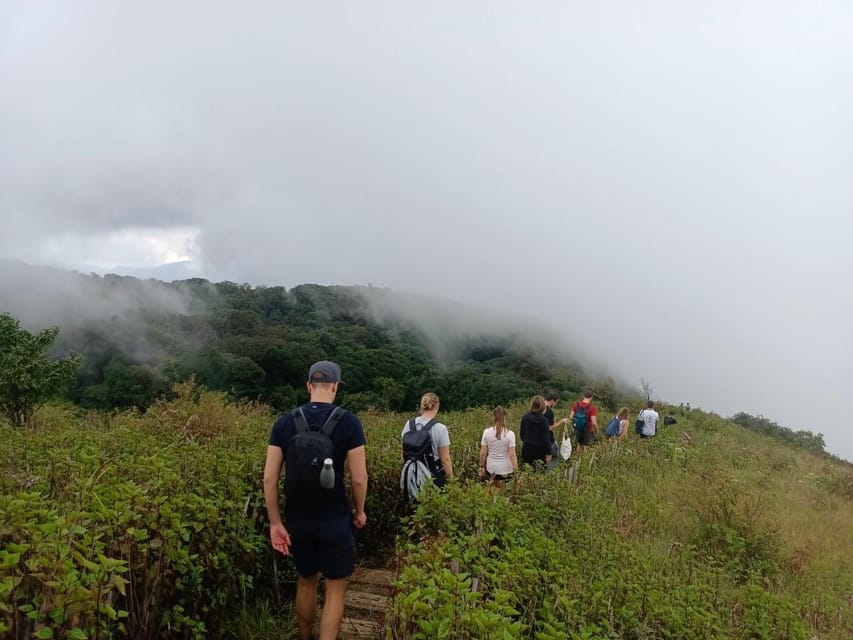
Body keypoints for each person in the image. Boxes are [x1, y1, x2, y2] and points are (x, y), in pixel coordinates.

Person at [263, 361, 368, 640]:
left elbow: (269, 479)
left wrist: (276, 523)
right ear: (335, 386)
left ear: (309, 385)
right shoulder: (349, 422)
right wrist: (360, 512)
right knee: (335, 587)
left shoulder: (285, 422)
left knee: (306, 582)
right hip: (334, 521)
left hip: (298, 521)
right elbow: (359, 479)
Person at [400, 392, 453, 497]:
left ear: (422, 406)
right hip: (434, 476)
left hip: (412, 475)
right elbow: (445, 460)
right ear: (437, 406)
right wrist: (452, 481)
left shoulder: (409, 424)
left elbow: (403, 455)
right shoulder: (441, 428)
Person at [479, 406, 518, 486]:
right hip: (507, 469)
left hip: (492, 469)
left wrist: (481, 466)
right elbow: (512, 455)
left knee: (494, 494)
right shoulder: (510, 434)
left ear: (493, 417)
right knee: (506, 494)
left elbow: (483, 453)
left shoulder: (486, 432)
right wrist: (516, 471)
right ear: (505, 417)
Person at [519, 395, 552, 468]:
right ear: (543, 406)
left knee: (527, 471)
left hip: (527, 449)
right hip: (540, 450)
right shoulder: (544, 420)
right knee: (540, 472)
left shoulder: (525, 417)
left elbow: (522, 435)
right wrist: (549, 452)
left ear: (532, 404)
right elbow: (546, 438)